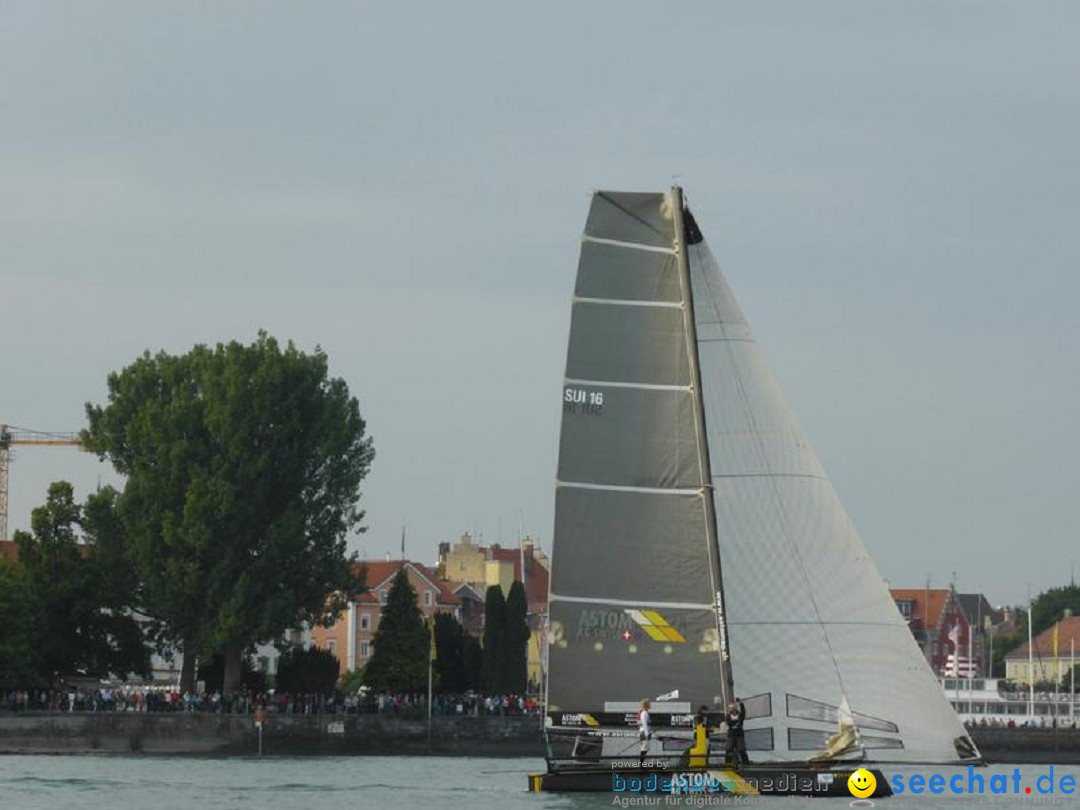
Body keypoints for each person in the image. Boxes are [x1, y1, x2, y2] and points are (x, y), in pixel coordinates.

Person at [724, 698, 749, 766]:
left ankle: (746, 763)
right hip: (731, 735)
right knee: (729, 749)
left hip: (739, 734)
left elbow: (743, 711)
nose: (733, 709)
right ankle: (727, 763)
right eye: (731, 708)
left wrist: (740, 703)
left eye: (734, 707)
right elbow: (728, 723)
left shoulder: (740, 715)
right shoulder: (728, 716)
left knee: (742, 749)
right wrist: (735, 724)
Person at [637, 698, 651, 765]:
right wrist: (646, 733)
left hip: (643, 732)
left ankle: (641, 763)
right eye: (649, 704)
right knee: (644, 748)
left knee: (645, 748)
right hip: (644, 732)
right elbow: (644, 723)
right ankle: (641, 764)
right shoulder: (644, 713)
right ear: (646, 705)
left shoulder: (643, 712)